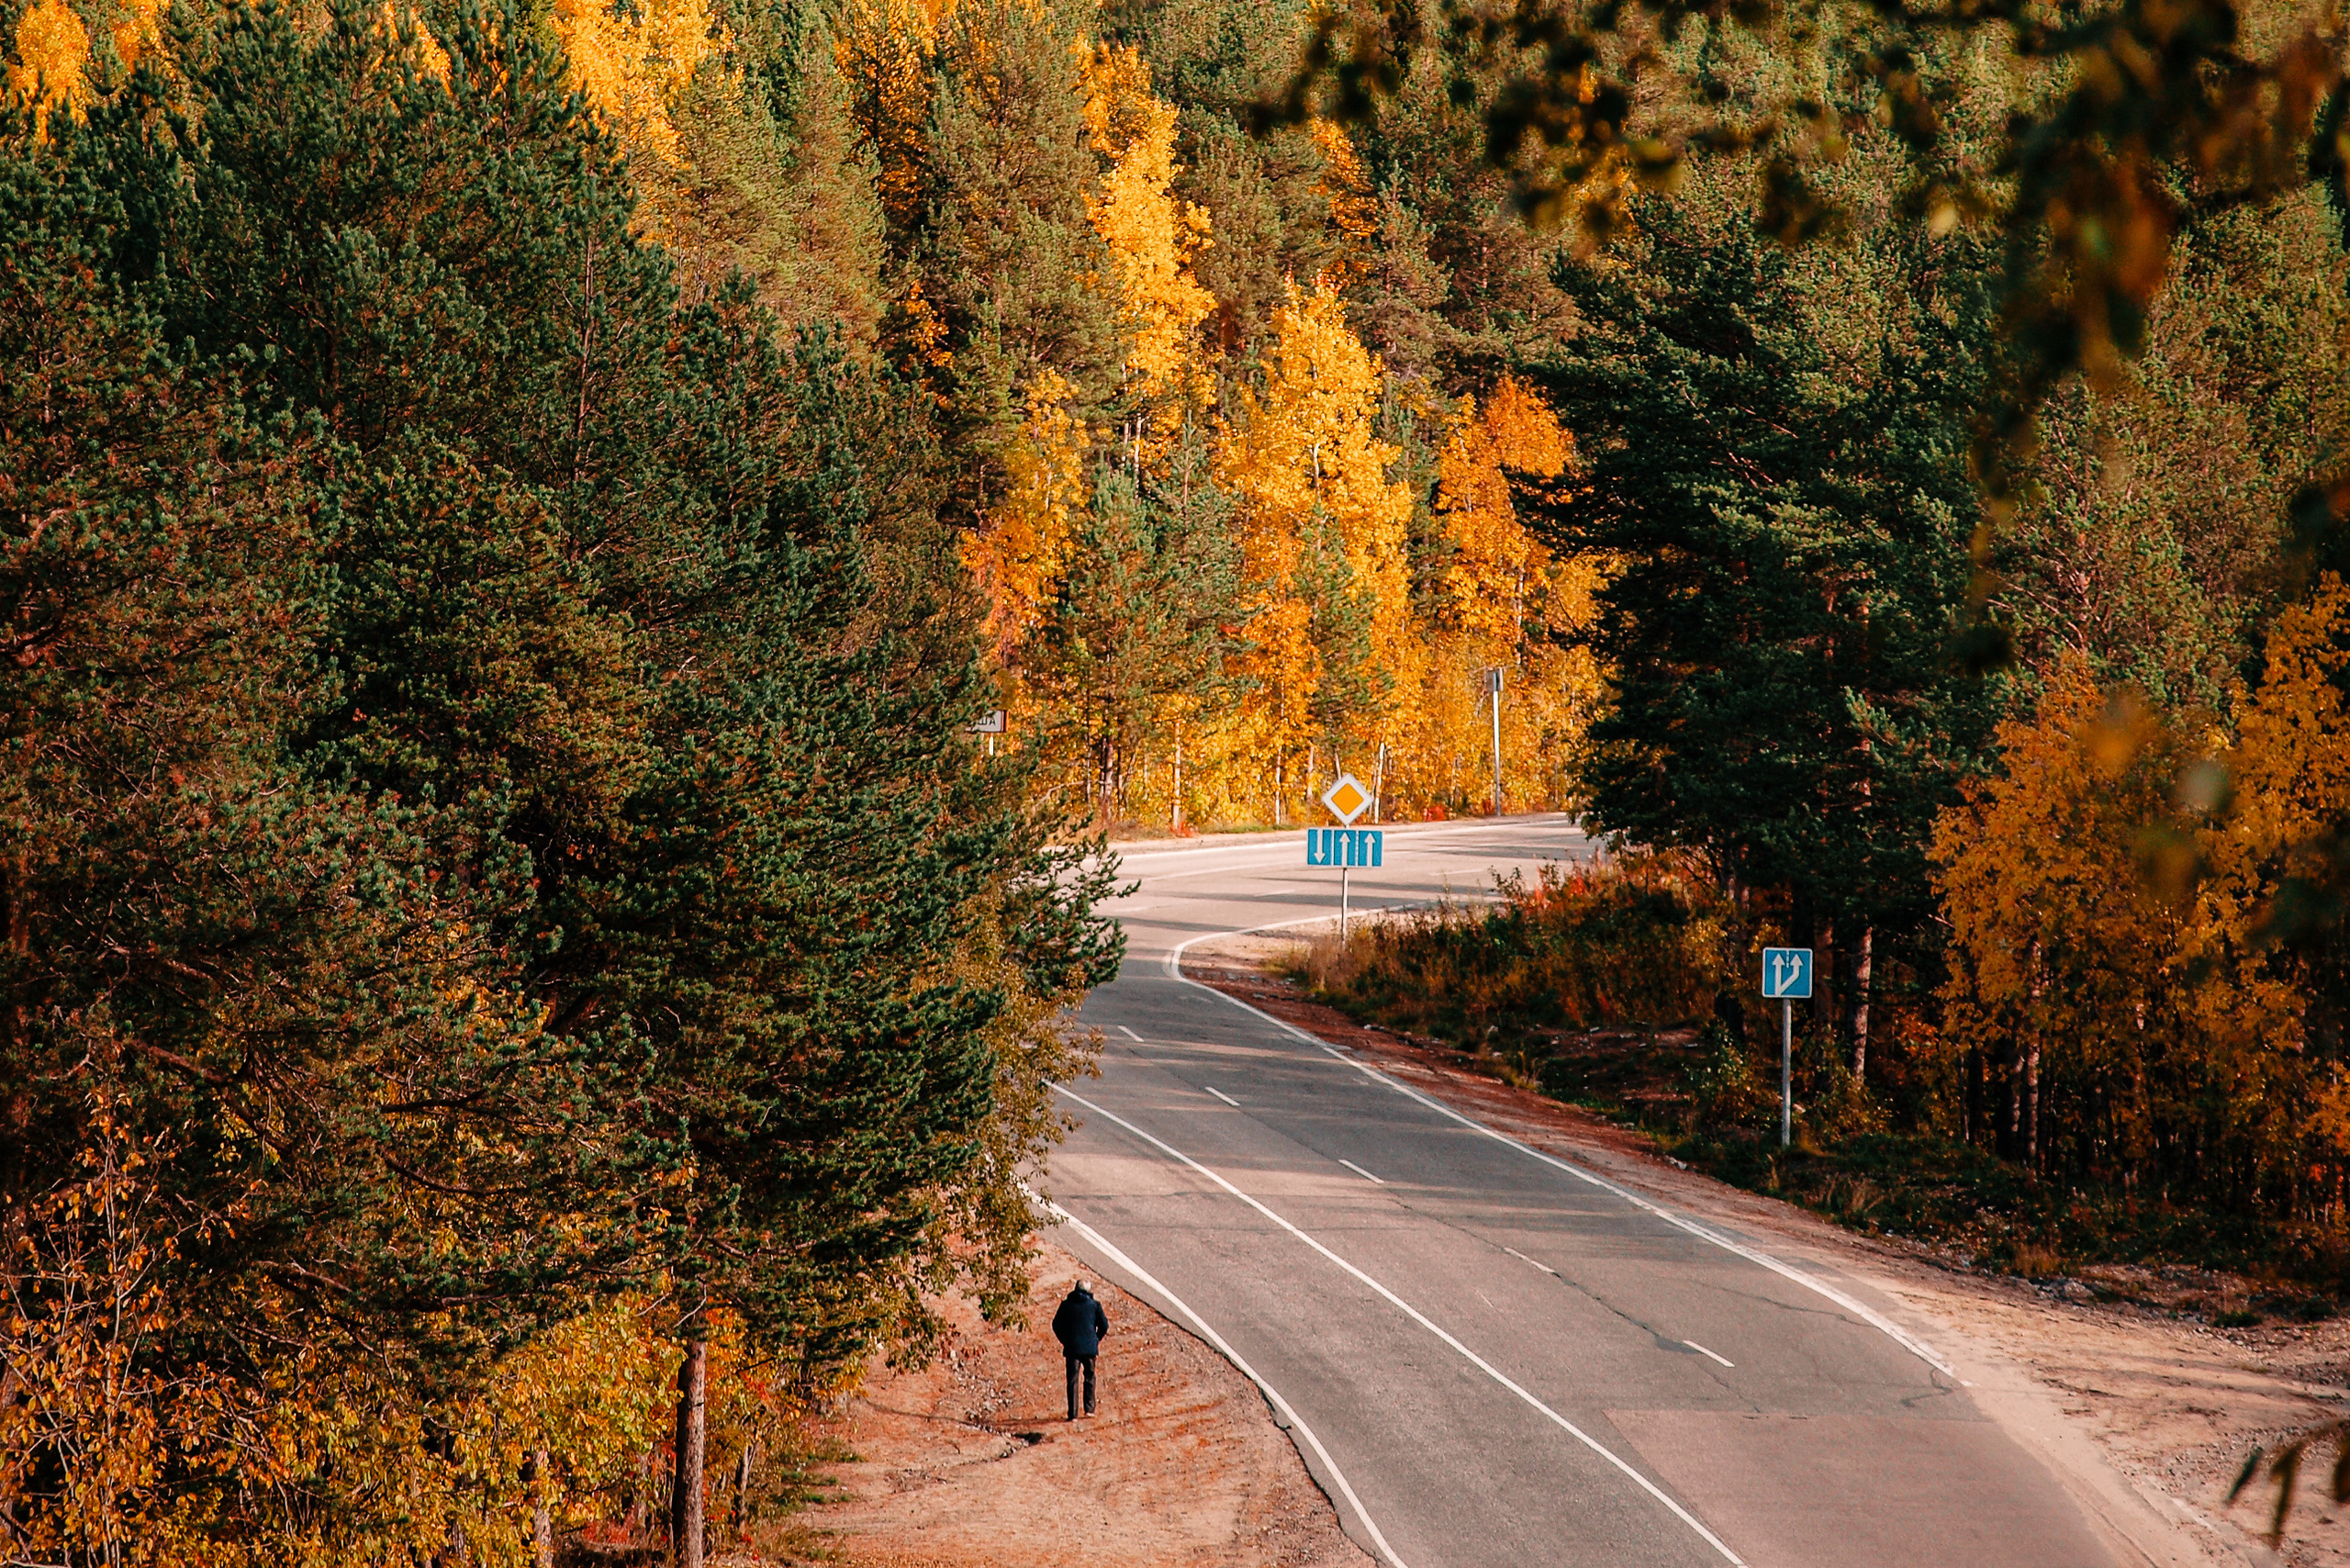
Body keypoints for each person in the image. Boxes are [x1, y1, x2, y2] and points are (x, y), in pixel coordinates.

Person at [1050, 1279, 1109, 1419]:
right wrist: (1096, 1339)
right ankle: (1089, 1409)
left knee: (1072, 1380)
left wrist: (1065, 1340)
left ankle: (1073, 1413)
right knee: (1089, 1377)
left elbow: (1056, 1324)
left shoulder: (1066, 1305)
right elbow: (1104, 1326)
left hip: (1072, 1348)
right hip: (1089, 1348)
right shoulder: (1094, 1305)